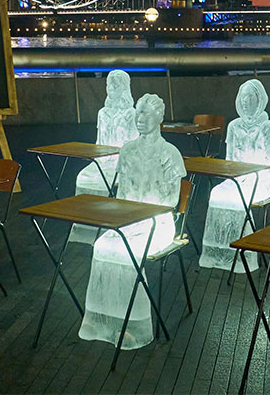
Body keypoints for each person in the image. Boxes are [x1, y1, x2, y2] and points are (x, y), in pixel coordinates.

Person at [78, 94, 185, 350]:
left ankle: (132, 323)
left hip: (156, 222)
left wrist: (141, 216)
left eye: (146, 114)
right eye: (138, 113)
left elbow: (170, 199)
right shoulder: (127, 150)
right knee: (102, 245)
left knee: (127, 252)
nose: (140, 119)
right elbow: (123, 194)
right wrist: (126, 217)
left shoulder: (170, 153)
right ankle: (104, 318)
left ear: (159, 117)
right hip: (130, 219)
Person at [199, 79, 270, 272]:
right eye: (243, 97)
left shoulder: (269, 127)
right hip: (236, 177)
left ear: (259, 100)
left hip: (259, 179)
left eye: (250, 97)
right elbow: (230, 160)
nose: (245, 101)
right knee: (218, 193)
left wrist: (247, 174)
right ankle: (219, 250)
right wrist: (237, 175)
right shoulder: (234, 126)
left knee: (241, 196)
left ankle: (242, 251)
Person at [70, 70, 138, 244]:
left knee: (108, 179)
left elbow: (133, 146)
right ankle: (89, 224)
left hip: (121, 162)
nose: (112, 88)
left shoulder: (131, 114)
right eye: (109, 84)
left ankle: (112, 221)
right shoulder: (102, 113)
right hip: (103, 160)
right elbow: (99, 143)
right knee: (83, 177)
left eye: (116, 84)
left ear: (124, 87)